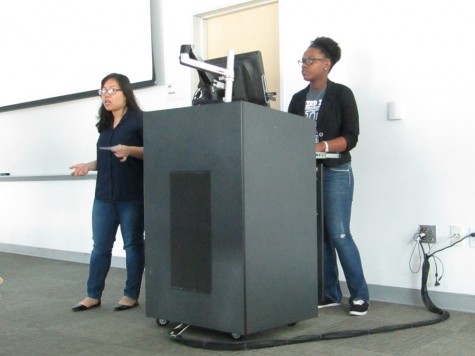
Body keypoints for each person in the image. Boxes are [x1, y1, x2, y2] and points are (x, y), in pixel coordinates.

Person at [288, 37, 370, 316]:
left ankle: (359, 295)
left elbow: (351, 137)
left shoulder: (341, 94)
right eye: (303, 61)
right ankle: (329, 293)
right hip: (306, 173)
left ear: (327, 64)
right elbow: (289, 133)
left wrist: (320, 146)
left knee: (339, 233)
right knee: (318, 236)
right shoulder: (298, 99)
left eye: (310, 61)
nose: (304, 66)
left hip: (335, 171)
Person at [70, 73, 145, 312]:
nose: (107, 95)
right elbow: (105, 158)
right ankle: (93, 295)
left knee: (132, 246)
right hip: (103, 196)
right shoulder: (104, 124)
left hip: (131, 195)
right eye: (103, 90)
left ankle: (130, 295)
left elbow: (154, 150)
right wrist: (88, 166)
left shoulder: (139, 120)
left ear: (126, 93)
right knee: (100, 247)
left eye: (112, 90)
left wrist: (130, 150)